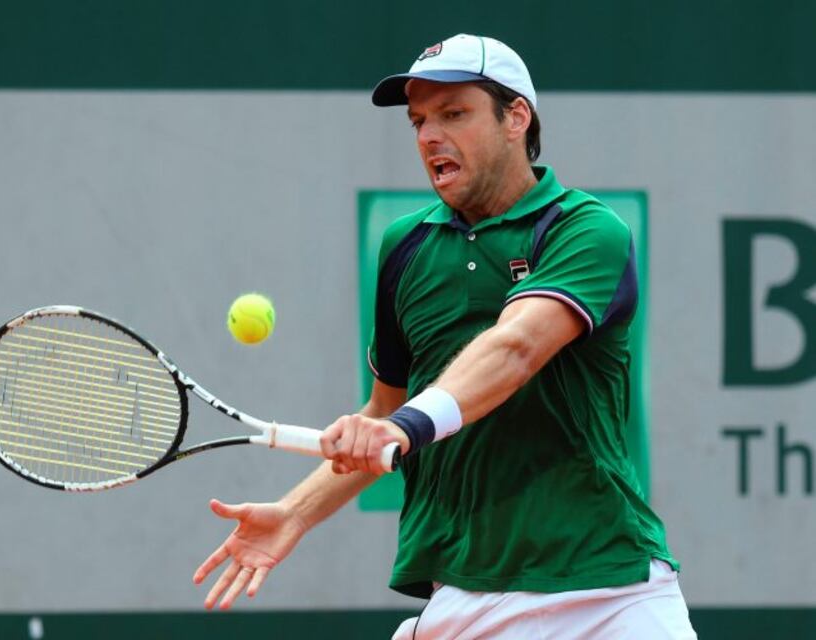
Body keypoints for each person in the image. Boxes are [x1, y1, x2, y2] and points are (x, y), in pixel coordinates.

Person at [193, 33, 697, 639]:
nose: (430, 136)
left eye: (454, 113)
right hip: (462, 597)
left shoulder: (585, 230)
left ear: (516, 118)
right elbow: (386, 411)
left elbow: (515, 349)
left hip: (607, 596)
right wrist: (295, 515)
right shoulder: (404, 247)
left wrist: (402, 427)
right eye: (419, 121)